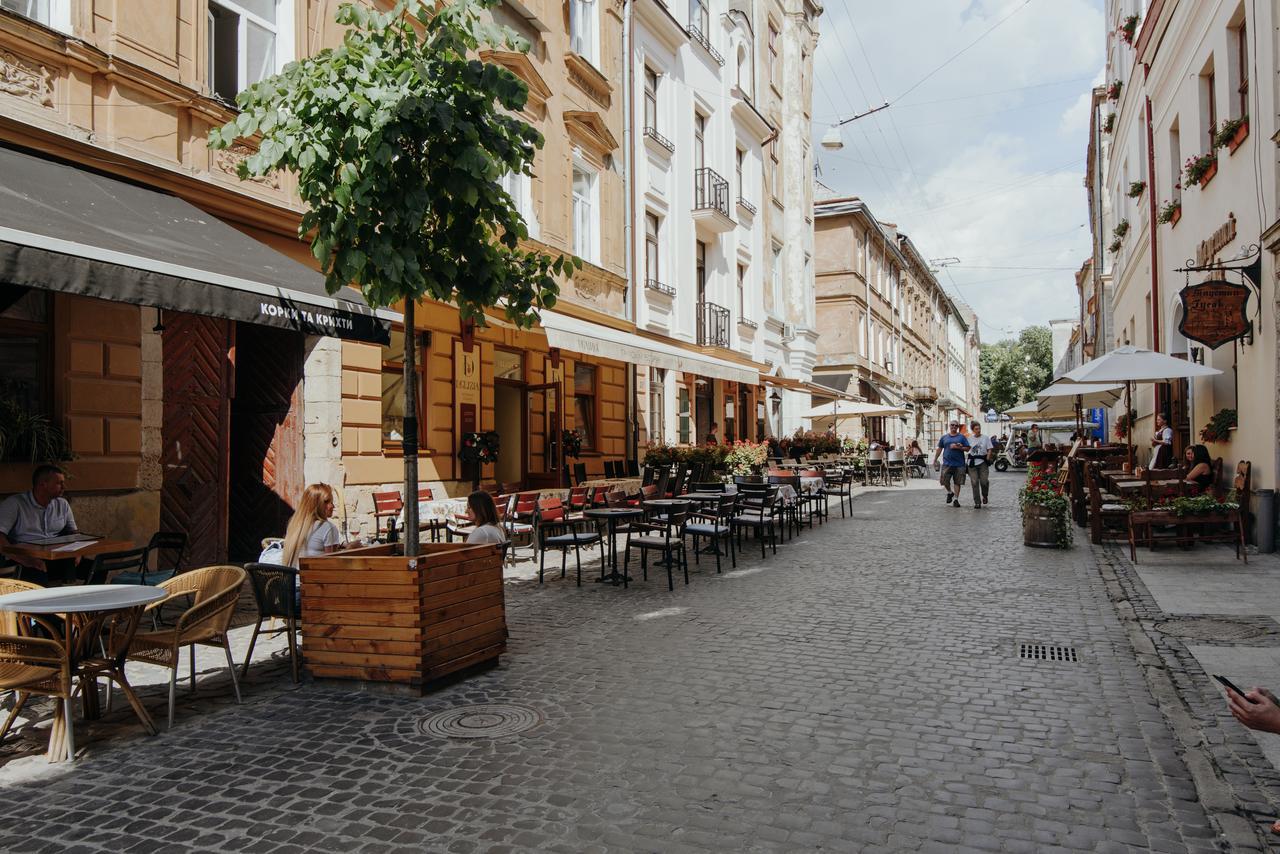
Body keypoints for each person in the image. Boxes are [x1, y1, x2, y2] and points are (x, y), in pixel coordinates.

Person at [0, 464, 77, 585]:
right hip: (22, 558)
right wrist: (26, 560)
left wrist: (77, 552)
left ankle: (84, 600)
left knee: (97, 564)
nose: (64, 487)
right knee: (37, 574)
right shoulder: (15, 504)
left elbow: (73, 533)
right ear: (43, 484)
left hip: (55, 557)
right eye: (59, 483)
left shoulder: (62, 504)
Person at [280, 483, 346, 569]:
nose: (332, 506)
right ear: (316, 505)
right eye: (326, 502)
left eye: (332, 502)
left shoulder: (295, 525)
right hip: (311, 581)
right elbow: (332, 566)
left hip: (291, 580)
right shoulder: (328, 528)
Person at [932, 422, 970, 507]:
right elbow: (939, 449)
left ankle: (956, 499)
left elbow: (967, 448)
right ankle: (950, 492)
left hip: (959, 464)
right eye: (952, 425)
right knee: (944, 480)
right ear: (949, 426)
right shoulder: (944, 437)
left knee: (957, 482)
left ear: (957, 427)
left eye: (956, 425)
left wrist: (959, 447)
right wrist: (935, 459)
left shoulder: (962, 437)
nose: (954, 426)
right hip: (947, 463)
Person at [966, 420, 995, 508]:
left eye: (979, 428)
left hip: (983, 462)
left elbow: (989, 448)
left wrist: (988, 457)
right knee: (974, 482)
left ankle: (985, 495)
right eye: (976, 429)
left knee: (984, 482)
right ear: (973, 430)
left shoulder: (985, 438)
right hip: (972, 463)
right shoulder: (969, 439)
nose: (978, 430)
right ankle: (977, 502)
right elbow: (967, 449)